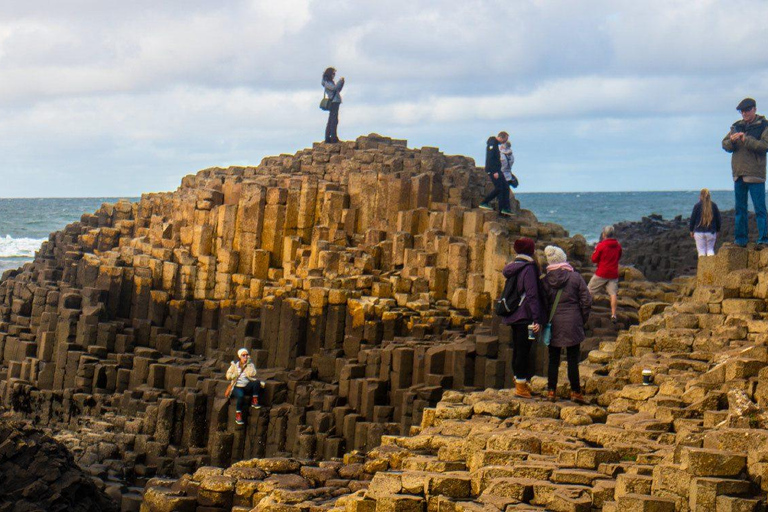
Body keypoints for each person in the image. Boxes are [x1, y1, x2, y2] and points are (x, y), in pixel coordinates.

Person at [541, 246, 591, 404]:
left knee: (553, 359)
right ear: (563, 259)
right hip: (573, 322)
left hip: (553, 323)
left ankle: (551, 391)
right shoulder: (575, 277)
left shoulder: (545, 280)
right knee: (572, 358)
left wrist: (544, 320)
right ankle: (575, 392)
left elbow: (541, 304)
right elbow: (586, 300)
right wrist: (581, 319)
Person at [501, 237, 546, 398]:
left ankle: (520, 382)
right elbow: (532, 295)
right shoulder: (529, 268)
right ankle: (520, 386)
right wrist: (537, 318)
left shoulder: (513, 266)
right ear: (531, 250)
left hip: (514, 314)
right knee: (524, 351)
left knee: (518, 349)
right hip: (525, 315)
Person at [722, 97, 768, 248]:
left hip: (755, 174)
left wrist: (744, 139)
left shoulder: (764, 125)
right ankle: (740, 240)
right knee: (740, 209)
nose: (745, 114)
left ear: (754, 109)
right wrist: (733, 140)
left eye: (747, 110)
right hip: (739, 174)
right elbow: (725, 144)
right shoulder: (736, 126)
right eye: (742, 111)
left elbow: (764, 146)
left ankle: (764, 239)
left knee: (760, 209)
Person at [588, 225, 622, 322]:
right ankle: (613, 315)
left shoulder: (601, 245)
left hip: (602, 273)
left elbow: (594, 259)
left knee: (589, 290)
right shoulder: (618, 245)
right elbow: (619, 256)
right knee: (613, 294)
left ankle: (584, 309)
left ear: (604, 235)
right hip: (613, 273)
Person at [226, 348, 265, 425]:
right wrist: (233, 375)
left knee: (257, 382)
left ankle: (254, 400)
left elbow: (253, 374)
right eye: (243, 355)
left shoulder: (250, 364)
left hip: (246, 385)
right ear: (240, 356)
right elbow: (228, 375)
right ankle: (238, 415)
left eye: (247, 355)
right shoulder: (234, 365)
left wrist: (249, 365)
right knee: (241, 396)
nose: (245, 357)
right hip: (237, 386)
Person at [479, 132, 513, 216]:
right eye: (505, 139)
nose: (505, 141)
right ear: (501, 137)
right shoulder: (492, 144)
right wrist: (494, 172)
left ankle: (505, 209)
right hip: (493, 171)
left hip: (498, 170)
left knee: (505, 187)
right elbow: (490, 159)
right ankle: (484, 202)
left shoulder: (495, 144)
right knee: (499, 188)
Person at [689, 188, 722, 257]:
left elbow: (692, 219)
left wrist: (691, 230)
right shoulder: (714, 205)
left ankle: (703, 267)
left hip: (699, 232)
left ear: (701, 196)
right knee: (710, 250)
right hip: (711, 232)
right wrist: (718, 230)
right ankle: (711, 266)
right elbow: (718, 219)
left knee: (701, 251)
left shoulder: (697, 206)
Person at [322, 68, 345, 144]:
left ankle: (328, 138)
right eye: (333, 74)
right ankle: (332, 138)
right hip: (333, 102)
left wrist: (341, 83)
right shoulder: (327, 82)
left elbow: (337, 90)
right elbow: (334, 88)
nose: (334, 75)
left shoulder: (329, 82)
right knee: (333, 120)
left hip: (335, 101)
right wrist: (340, 81)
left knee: (332, 120)